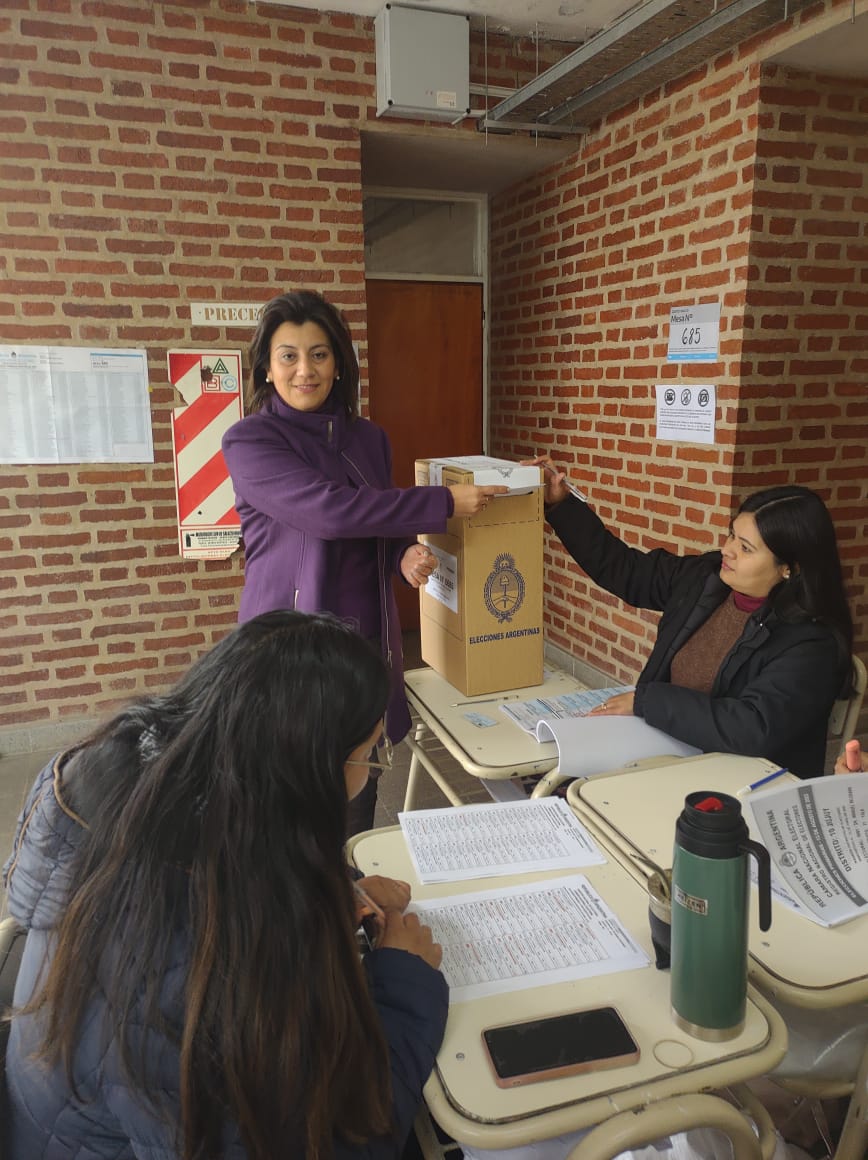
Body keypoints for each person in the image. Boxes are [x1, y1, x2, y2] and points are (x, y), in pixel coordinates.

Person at [3, 611, 448, 1160]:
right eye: (368, 754)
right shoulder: (199, 987)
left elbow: (251, 846)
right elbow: (332, 1142)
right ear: (310, 771)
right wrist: (404, 988)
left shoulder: (132, 793)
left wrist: (334, 892)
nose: (366, 773)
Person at [222, 290, 506, 833]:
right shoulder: (250, 441)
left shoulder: (368, 439)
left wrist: (403, 553)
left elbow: (373, 516)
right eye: (288, 355)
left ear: (339, 364)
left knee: (356, 800)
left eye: (320, 354)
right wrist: (443, 503)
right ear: (266, 366)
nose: (304, 370)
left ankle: (353, 904)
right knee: (286, 808)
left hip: (364, 649)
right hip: (288, 652)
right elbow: (329, 512)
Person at [532, 462, 853, 778]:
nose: (727, 551)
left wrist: (648, 702)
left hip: (738, 784)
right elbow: (624, 569)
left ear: (790, 569)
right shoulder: (705, 579)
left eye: (745, 548)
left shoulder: (810, 642)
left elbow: (752, 726)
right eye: (731, 536)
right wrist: (562, 506)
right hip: (663, 750)